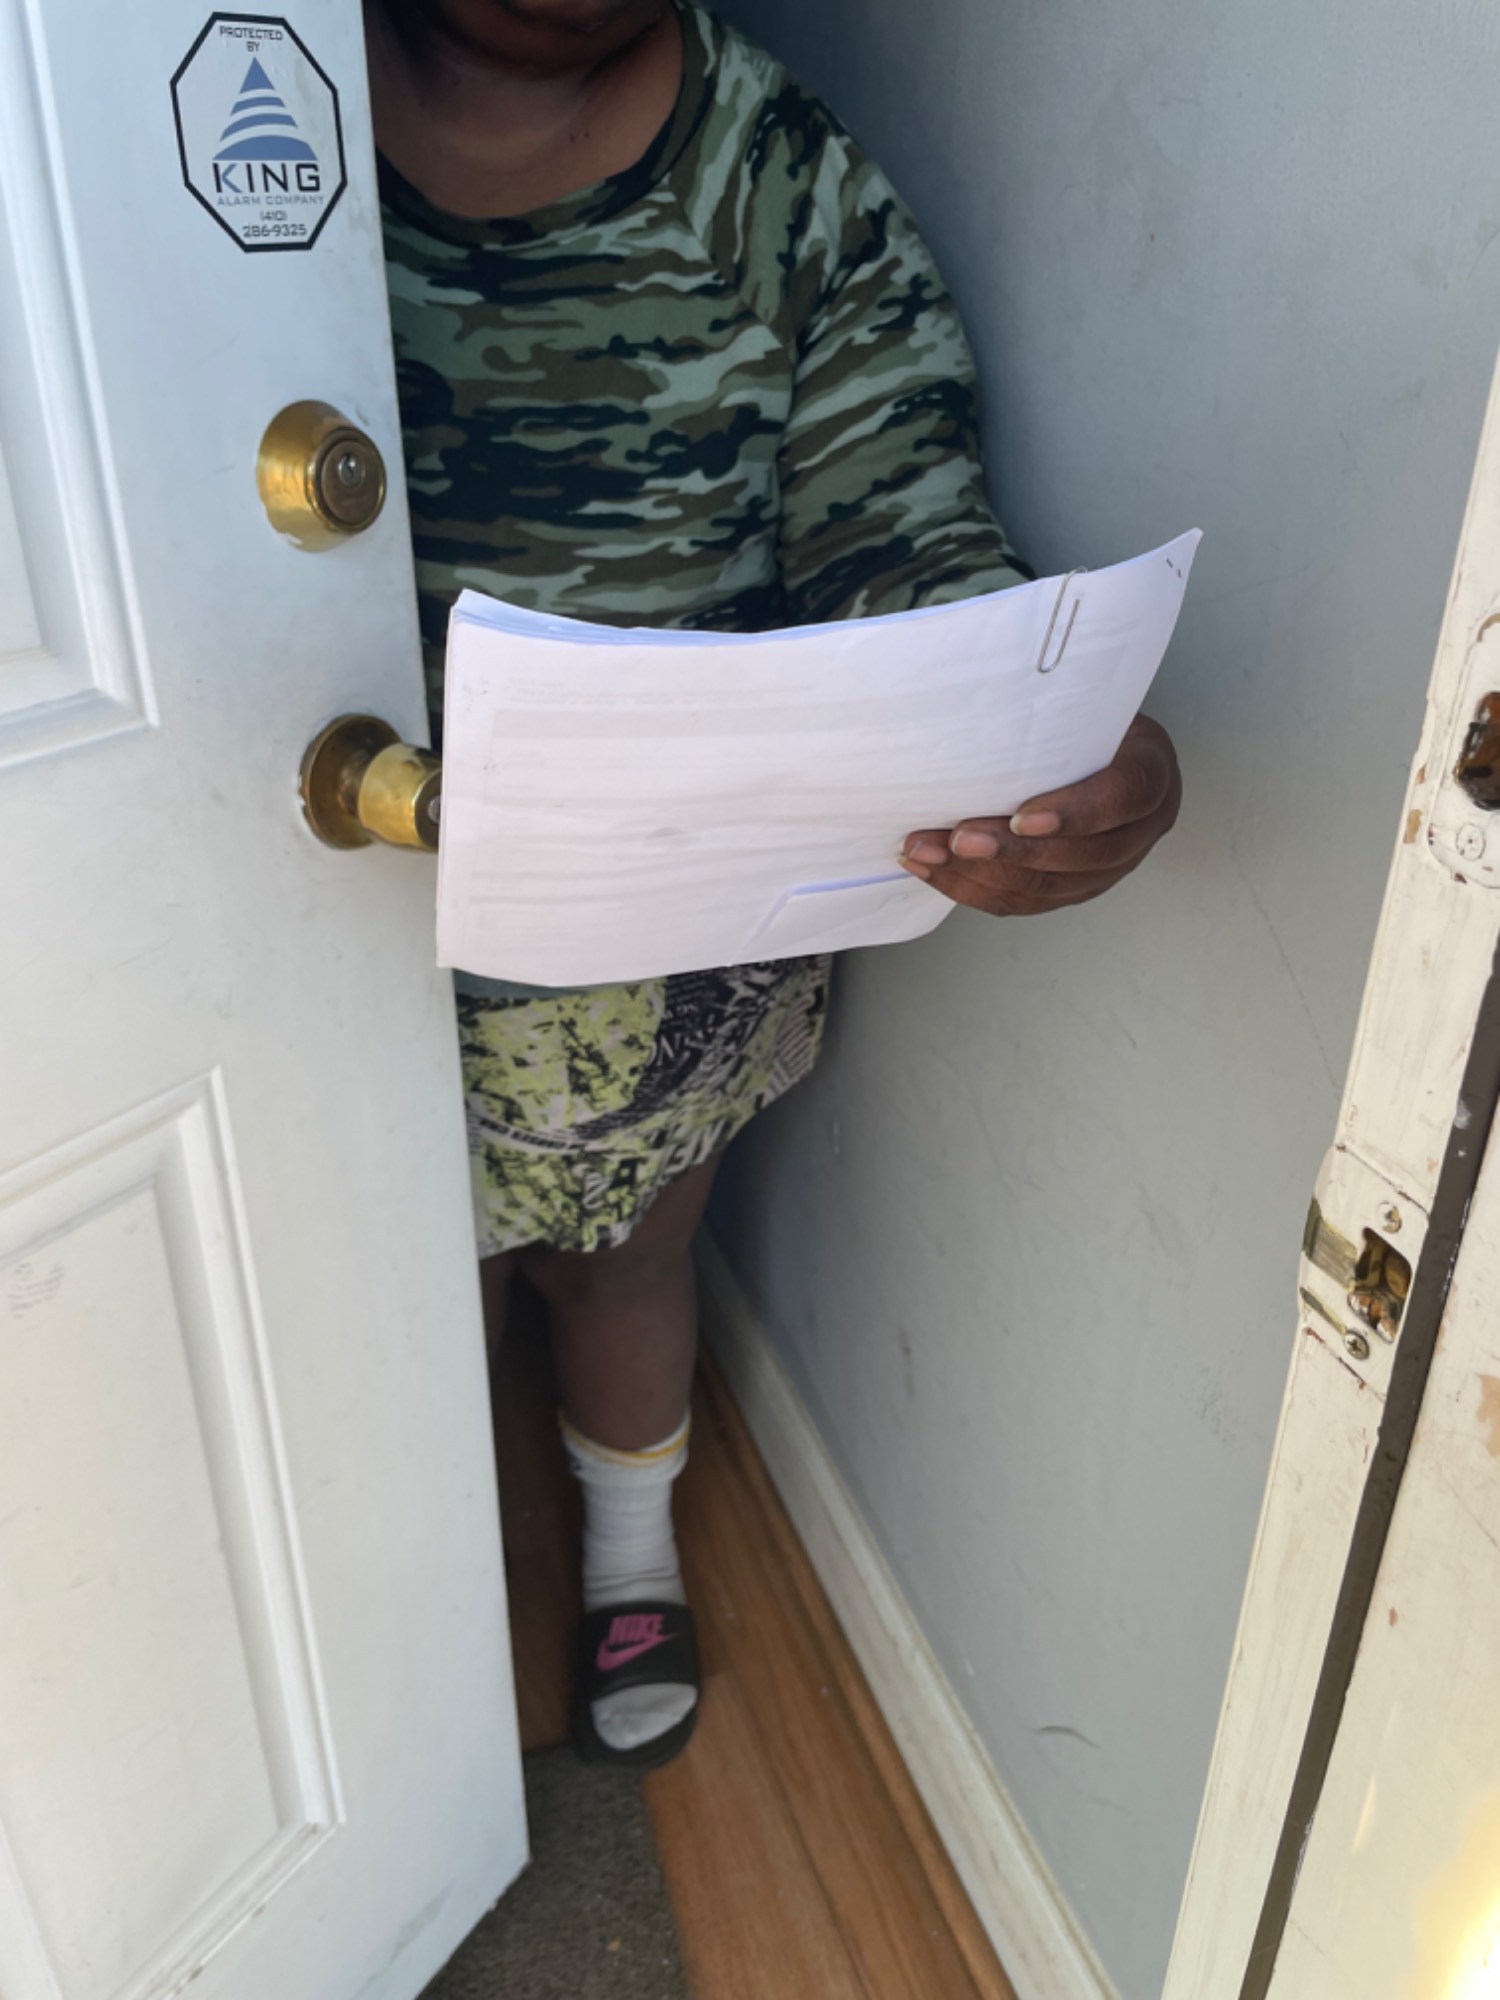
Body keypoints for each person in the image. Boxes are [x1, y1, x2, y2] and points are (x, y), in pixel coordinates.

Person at [367, 0, 1182, 1769]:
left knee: (631, 1271)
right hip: (328, 960)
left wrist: (1042, 743)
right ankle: (409, 1625)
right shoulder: (187, 124)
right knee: (393, 1309)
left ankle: (625, 1543)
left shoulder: (789, 186)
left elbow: (908, 541)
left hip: (668, 978)